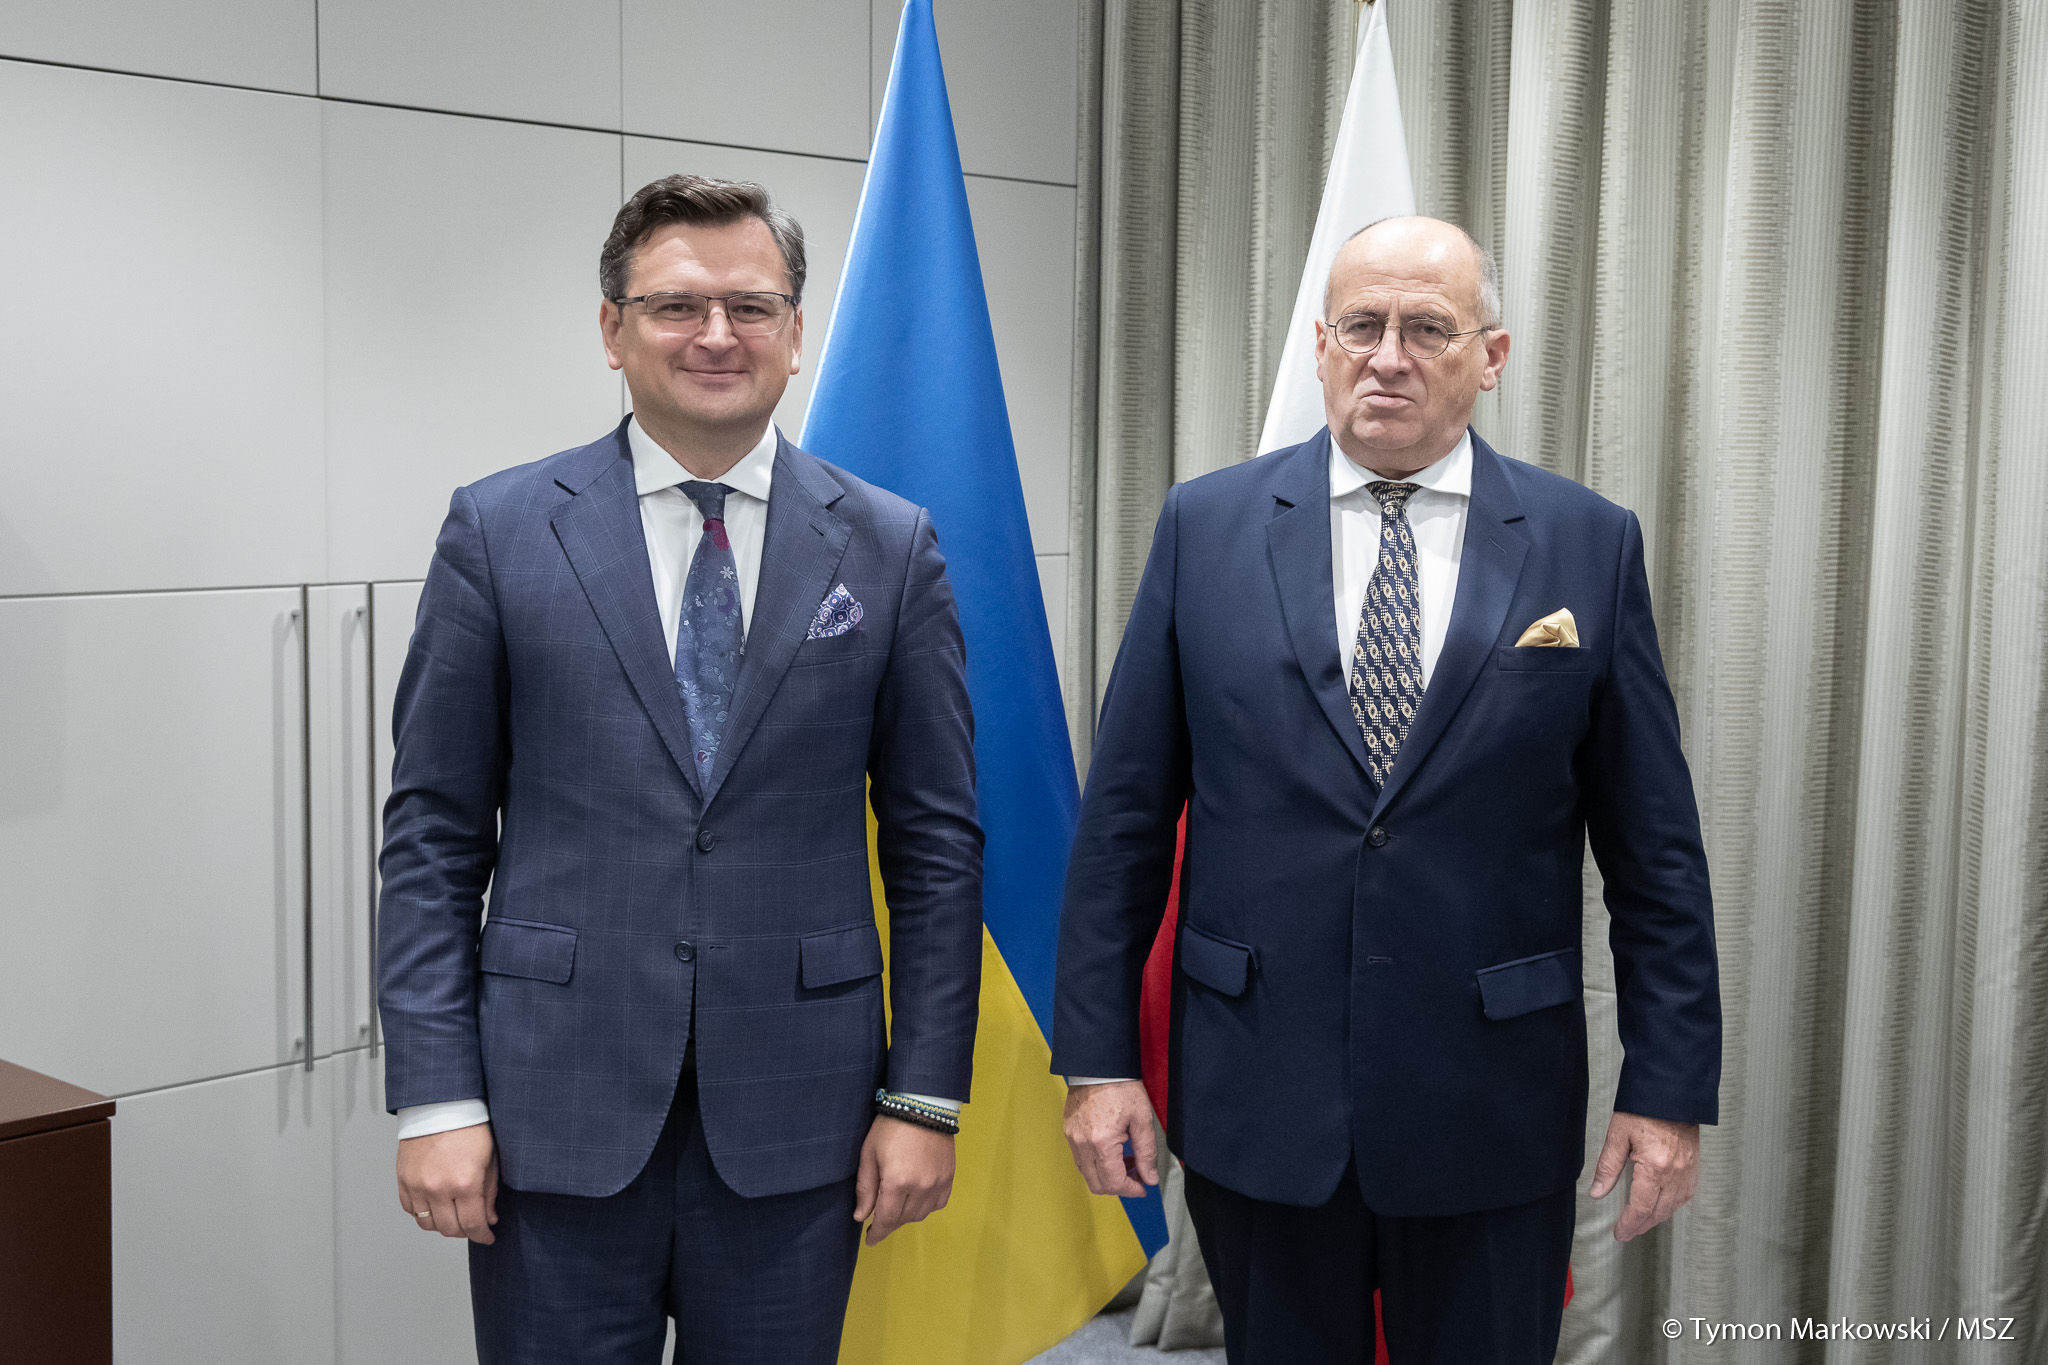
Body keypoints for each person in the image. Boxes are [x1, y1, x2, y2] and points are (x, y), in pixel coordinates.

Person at [1051, 216, 1720, 1364]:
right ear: (1320, 346)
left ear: (1489, 356)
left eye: (1427, 329)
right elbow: (1122, 825)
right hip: (1259, 1094)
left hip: (1489, 1101)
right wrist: (1099, 1062)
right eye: (1360, 325)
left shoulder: (1586, 544)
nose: (1387, 357)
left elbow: (1652, 853)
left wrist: (1665, 1087)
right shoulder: (1203, 528)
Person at [377, 174, 985, 1364]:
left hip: (798, 1120)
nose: (717, 334)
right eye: (676, 306)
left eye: (752, 306)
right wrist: (438, 1097)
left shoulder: (888, 543)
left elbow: (935, 845)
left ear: (795, 332)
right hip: (552, 1113)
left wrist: (921, 1097)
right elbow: (434, 837)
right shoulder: (500, 531)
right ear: (613, 329)